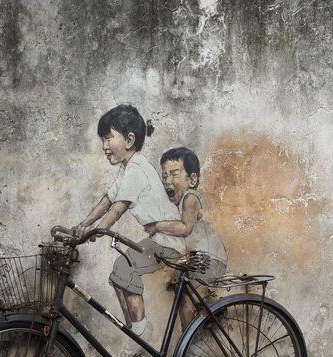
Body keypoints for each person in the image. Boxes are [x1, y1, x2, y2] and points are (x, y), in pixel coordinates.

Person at [74, 105, 185, 336]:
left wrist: (97, 231)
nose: (104, 146)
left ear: (130, 139)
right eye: (102, 140)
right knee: (119, 272)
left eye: (108, 138)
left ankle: (140, 331)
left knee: (125, 269)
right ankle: (133, 330)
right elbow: (107, 200)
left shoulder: (137, 169)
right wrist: (83, 224)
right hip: (159, 240)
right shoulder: (127, 169)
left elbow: (117, 209)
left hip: (168, 242)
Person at [144, 147, 228, 327]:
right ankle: (206, 310)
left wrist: (158, 226)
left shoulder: (191, 197)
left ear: (192, 179)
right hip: (198, 258)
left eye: (174, 174)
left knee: (182, 290)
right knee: (179, 286)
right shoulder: (179, 202)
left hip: (210, 259)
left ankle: (192, 333)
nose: (168, 180)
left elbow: (185, 228)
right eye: (164, 175)